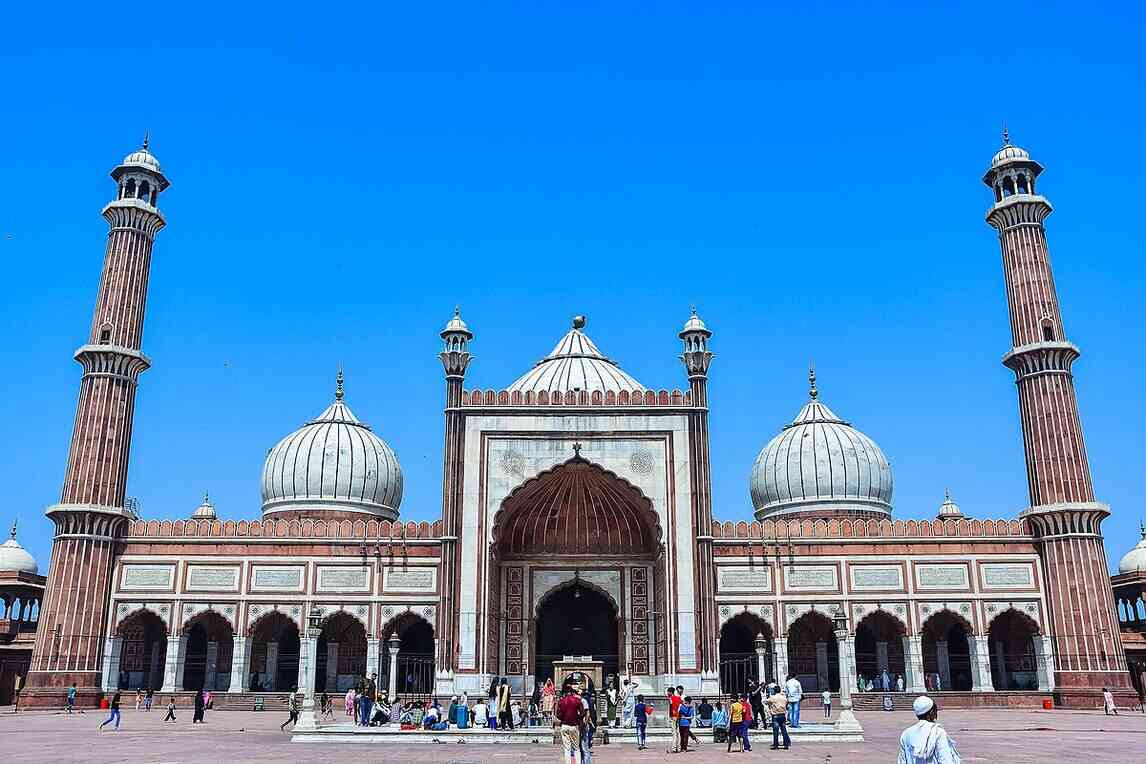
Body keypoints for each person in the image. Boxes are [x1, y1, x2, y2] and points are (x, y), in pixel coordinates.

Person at [898, 696, 960, 764]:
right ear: (931, 712)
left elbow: (902, 761)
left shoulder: (906, 734)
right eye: (935, 710)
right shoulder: (938, 732)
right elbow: (946, 760)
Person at [556, 683, 585, 764]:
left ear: (565, 693)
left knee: (567, 749)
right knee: (576, 748)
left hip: (564, 726)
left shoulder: (561, 701)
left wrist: (563, 718)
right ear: (572, 692)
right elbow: (583, 713)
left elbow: (558, 714)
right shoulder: (577, 701)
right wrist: (577, 718)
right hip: (574, 726)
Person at [767, 684, 791, 750]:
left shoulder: (773, 697)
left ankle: (776, 745)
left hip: (775, 715)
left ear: (774, 691)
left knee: (775, 731)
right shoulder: (784, 697)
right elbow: (787, 703)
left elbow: (766, 701)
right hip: (782, 715)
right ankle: (786, 744)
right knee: (784, 730)